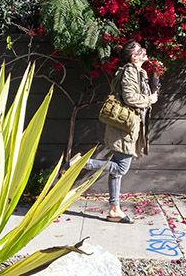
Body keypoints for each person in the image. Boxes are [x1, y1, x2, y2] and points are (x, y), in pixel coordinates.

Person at [65, 39, 160, 224]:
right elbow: (130, 97)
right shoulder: (130, 72)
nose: (144, 50)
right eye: (141, 49)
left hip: (130, 126)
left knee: (116, 171)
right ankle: (81, 163)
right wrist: (149, 100)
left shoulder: (139, 72)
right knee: (121, 168)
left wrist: (154, 84)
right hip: (124, 127)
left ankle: (114, 209)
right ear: (134, 57)